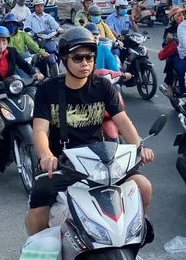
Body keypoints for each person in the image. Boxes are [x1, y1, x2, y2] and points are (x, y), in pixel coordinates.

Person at [26, 27, 155, 235]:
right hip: (63, 162)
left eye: (89, 57)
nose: (85, 63)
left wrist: (140, 146)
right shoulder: (48, 90)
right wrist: (46, 156)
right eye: (77, 58)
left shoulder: (103, 86)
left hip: (101, 161)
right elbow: (40, 130)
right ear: (64, 59)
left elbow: (123, 122)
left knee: (143, 187)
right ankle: (36, 249)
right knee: (39, 200)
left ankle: (129, 236)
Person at [0, 26, 44, 165]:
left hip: (13, 88)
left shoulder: (12, 52)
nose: (1, 45)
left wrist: (35, 72)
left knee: (36, 104)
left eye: (4, 41)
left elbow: (24, 65)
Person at [161, 6, 185, 92]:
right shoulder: (170, 28)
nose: (182, 17)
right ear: (173, 18)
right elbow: (164, 44)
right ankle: (169, 85)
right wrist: (168, 40)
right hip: (176, 51)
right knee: (170, 61)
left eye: (183, 15)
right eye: (179, 15)